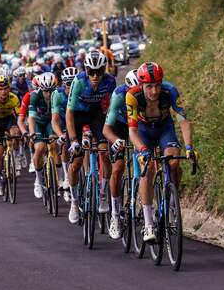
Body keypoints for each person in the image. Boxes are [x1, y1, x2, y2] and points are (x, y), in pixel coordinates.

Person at [125, 62, 197, 243]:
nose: (154, 91)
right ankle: (148, 223)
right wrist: (142, 150)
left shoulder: (171, 91)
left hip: (165, 128)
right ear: (141, 85)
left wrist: (189, 147)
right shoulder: (132, 96)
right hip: (142, 130)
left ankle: (171, 203)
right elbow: (132, 132)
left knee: (174, 162)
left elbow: (183, 121)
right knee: (147, 168)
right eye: (149, 86)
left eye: (157, 85)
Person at [65, 51, 116, 224]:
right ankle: (74, 201)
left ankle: (102, 193)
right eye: (91, 72)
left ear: (104, 70)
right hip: (77, 116)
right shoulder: (78, 82)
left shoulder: (110, 81)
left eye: (99, 71)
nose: (95, 76)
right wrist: (73, 140)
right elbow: (69, 113)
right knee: (76, 161)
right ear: (86, 70)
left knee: (105, 152)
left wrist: (112, 133)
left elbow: (111, 109)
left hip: (96, 116)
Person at [102, 70, 139, 239]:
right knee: (117, 168)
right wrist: (115, 140)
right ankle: (115, 215)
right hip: (118, 126)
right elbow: (106, 128)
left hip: (138, 126)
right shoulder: (118, 94)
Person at [0, 76, 21, 196]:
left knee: (15, 133)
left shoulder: (14, 98)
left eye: (5, 88)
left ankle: (16, 158)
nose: (3, 91)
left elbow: (20, 117)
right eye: (0, 89)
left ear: (9, 88)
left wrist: (20, 130)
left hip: (9, 120)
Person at [28, 72, 57, 199]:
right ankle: (38, 181)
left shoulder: (57, 94)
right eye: (46, 91)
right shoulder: (34, 96)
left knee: (56, 144)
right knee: (39, 148)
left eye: (51, 91)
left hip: (51, 122)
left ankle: (61, 179)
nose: (49, 94)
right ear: (41, 88)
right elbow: (31, 118)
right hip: (39, 123)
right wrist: (31, 132)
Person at [52, 66, 77, 201]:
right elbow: (54, 120)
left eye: (74, 84)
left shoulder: (81, 92)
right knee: (63, 144)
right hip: (61, 123)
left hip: (76, 121)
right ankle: (67, 176)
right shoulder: (58, 94)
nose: (71, 88)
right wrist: (60, 134)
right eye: (68, 85)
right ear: (63, 84)